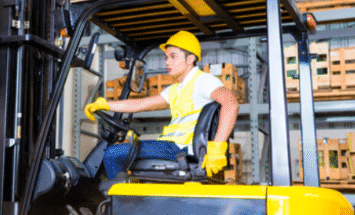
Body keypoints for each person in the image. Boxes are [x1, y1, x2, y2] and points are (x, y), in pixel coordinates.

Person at [84, 30, 240, 179]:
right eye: (166, 57)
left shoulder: (202, 80)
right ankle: (130, 199)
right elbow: (142, 103)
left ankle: (117, 201)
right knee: (123, 156)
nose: (167, 62)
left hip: (180, 149)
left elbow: (231, 103)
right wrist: (105, 105)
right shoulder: (177, 88)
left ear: (190, 59)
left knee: (113, 153)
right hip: (171, 146)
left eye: (173, 57)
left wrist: (217, 149)